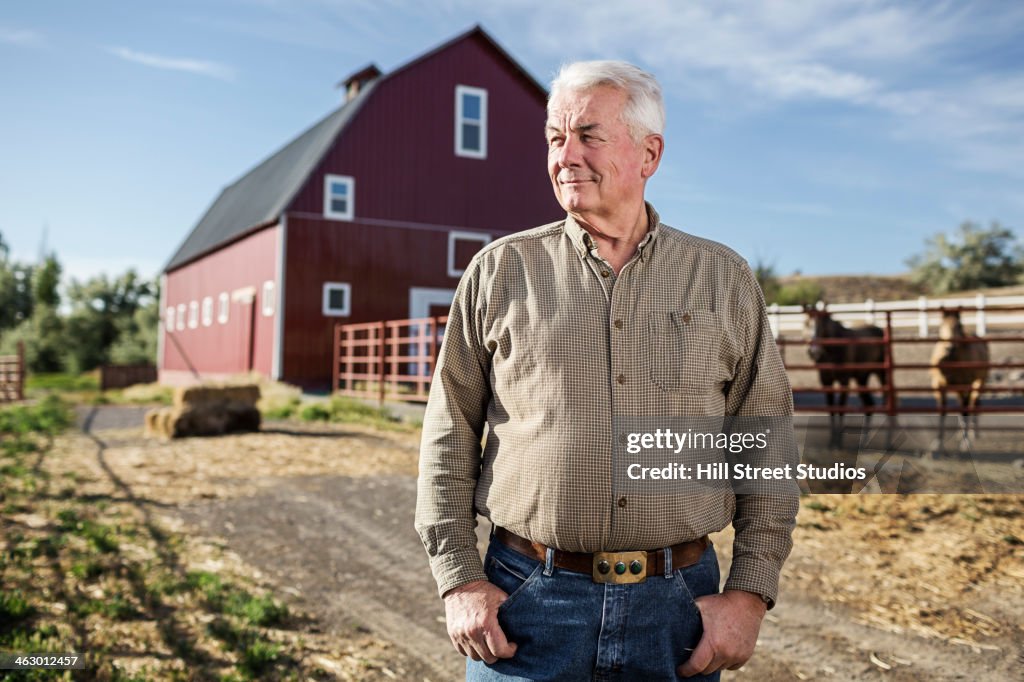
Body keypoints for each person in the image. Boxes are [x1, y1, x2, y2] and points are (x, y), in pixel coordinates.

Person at [416, 60, 799, 681]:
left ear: (649, 154)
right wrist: (458, 578)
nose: (565, 155)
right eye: (553, 137)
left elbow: (766, 441)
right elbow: (448, 430)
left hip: (678, 613)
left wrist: (750, 594)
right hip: (525, 607)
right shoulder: (498, 272)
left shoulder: (723, 278)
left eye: (589, 135)